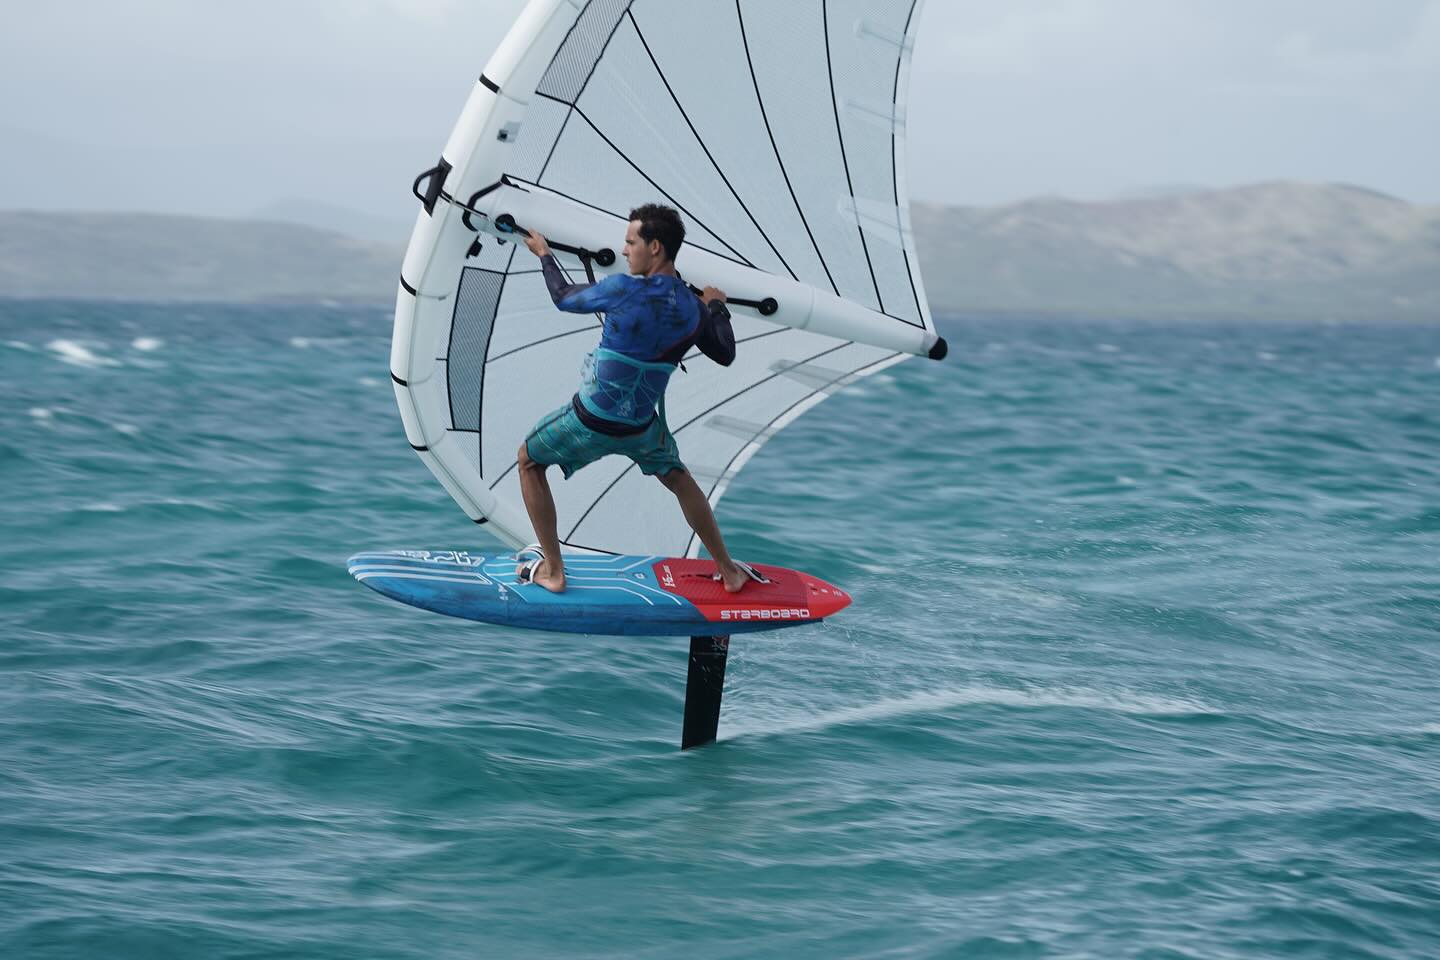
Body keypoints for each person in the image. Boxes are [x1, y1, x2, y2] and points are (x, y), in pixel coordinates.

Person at [514, 203, 759, 595]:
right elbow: (725, 353)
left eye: (631, 243)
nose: (625, 251)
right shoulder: (693, 309)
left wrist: (544, 254)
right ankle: (729, 572)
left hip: (591, 419)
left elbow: (562, 297)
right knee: (679, 479)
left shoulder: (622, 290)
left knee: (528, 460)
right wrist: (716, 306)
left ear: (656, 247)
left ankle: (554, 571)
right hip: (642, 429)